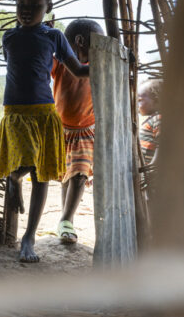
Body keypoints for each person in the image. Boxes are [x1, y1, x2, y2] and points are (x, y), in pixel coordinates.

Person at [0, 0, 89, 263]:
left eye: (35, 5)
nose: (26, 10)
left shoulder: (54, 36)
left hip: (44, 113)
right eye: (21, 3)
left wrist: (109, 62)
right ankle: (13, 177)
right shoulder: (8, 37)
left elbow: (78, 70)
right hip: (15, 113)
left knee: (41, 175)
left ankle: (28, 238)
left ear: (48, 6)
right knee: (25, 163)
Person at [51, 19, 106, 244]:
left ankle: (66, 220)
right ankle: (66, 219)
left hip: (84, 131)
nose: (100, 47)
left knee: (80, 174)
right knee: (68, 176)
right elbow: (43, 60)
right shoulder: (61, 63)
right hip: (61, 130)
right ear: (81, 41)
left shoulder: (100, 65)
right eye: (97, 42)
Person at [138, 79, 162, 166]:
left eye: (140, 100)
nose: (137, 104)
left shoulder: (158, 119)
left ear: (156, 101)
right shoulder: (151, 119)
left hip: (149, 170)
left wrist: (151, 166)